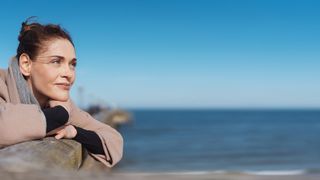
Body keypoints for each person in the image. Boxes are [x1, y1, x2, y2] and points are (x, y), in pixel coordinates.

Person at [0, 18, 123, 167]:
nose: (68, 73)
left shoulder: (59, 102)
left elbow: (114, 140)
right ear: (26, 64)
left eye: (72, 64)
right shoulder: (2, 83)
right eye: (56, 61)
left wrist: (76, 132)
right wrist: (60, 115)